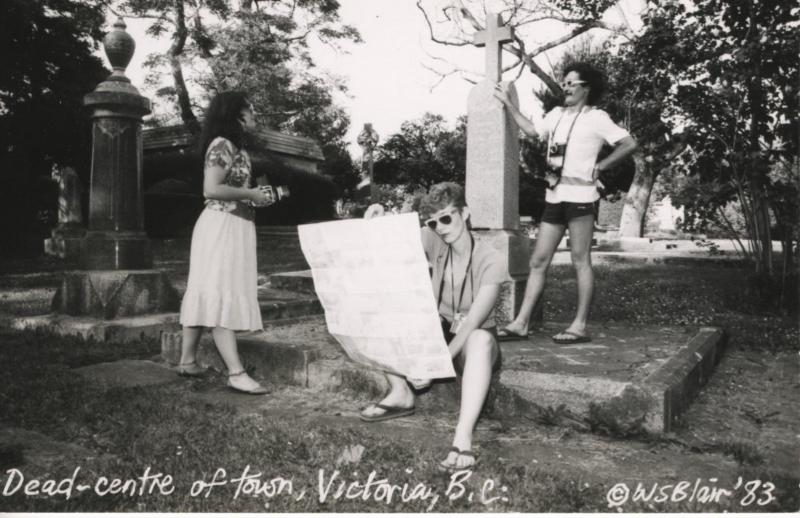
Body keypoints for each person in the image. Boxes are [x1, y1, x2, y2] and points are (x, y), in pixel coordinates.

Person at [359, 182, 509, 471]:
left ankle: (463, 437)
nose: (440, 227)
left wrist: (433, 366)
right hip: (438, 329)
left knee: (478, 338)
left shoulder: (492, 260)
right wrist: (379, 215)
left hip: (471, 340)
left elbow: (472, 323)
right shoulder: (434, 238)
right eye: (433, 221)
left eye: (446, 218)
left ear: (464, 213)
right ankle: (400, 391)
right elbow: (393, 237)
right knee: (384, 305)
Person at [493, 62, 637, 343]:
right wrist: (509, 104)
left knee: (580, 260)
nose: (566, 87)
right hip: (554, 196)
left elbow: (629, 144)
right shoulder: (556, 114)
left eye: (572, 83)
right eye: (565, 83)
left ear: (586, 88)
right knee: (538, 260)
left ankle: (579, 326)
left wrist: (601, 166)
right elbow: (533, 132)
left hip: (581, 197)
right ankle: (521, 323)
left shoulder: (597, 117)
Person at [175, 91, 275, 394]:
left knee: (208, 289)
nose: (255, 116)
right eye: (251, 110)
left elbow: (233, 188)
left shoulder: (236, 148)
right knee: (220, 291)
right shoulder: (222, 145)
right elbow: (211, 188)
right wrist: (251, 194)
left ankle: (187, 360)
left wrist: (257, 197)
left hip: (236, 226)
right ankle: (235, 372)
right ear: (236, 114)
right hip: (220, 227)